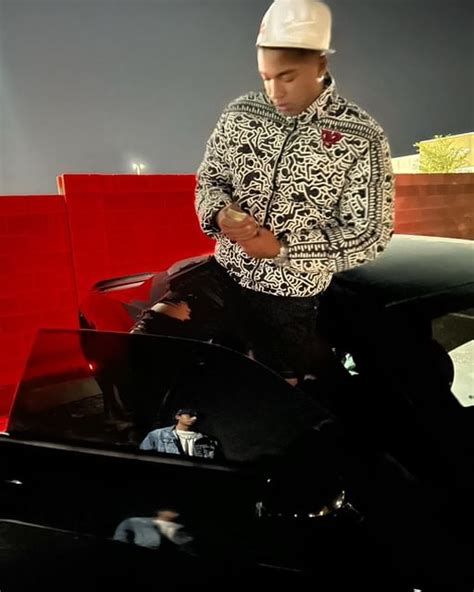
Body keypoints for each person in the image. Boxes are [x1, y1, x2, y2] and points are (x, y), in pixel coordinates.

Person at [192, 0, 394, 384]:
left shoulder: (361, 136)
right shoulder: (241, 114)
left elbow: (369, 234)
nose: (274, 92)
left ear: (320, 64)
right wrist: (220, 213)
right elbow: (211, 179)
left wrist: (282, 249)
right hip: (223, 277)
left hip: (288, 301)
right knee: (175, 370)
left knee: (272, 399)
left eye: (287, 77)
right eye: (265, 77)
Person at [139, 408, 222, 459]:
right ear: (178, 416)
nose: (195, 418)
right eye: (190, 415)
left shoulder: (210, 440)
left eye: (198, 416)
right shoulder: (157, 435)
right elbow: (144, 458)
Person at [113, 507, 194, 551]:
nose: (174, 514)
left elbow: (179, 541)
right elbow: (123, 527)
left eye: (175, 513)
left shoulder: (173, 526)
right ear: (160, 512)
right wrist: (120, 540)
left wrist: (187, 540)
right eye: (171, 511)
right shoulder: (138, 521)